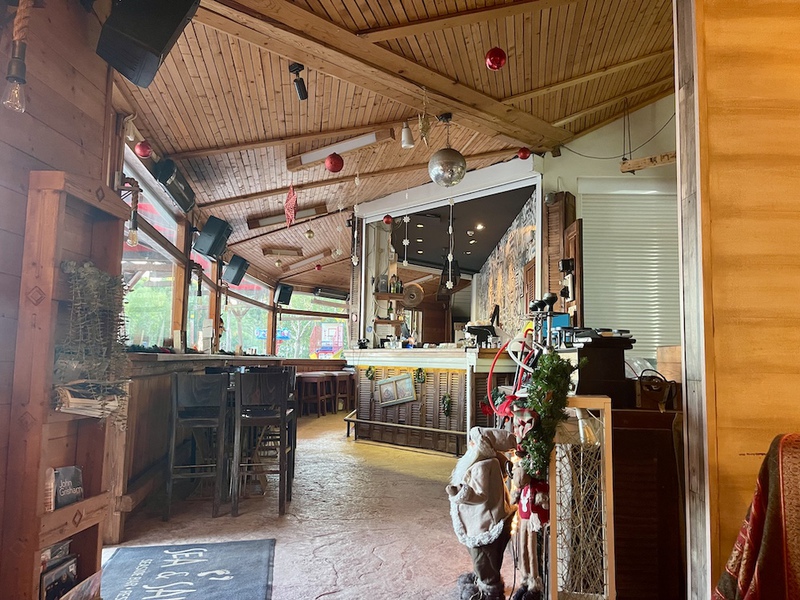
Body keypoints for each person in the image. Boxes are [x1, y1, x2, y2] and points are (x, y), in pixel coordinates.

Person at [447, 427, 517, 600]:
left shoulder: (482, 465)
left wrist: (459, 493)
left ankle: (489, 591)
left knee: (484, 557)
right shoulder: (490, 462)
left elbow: (480, 495)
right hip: (488, 518)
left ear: (483, 445)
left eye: (474, 441)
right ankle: (484, 581)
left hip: (484, 522)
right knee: (486, 558)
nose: (470, 444)